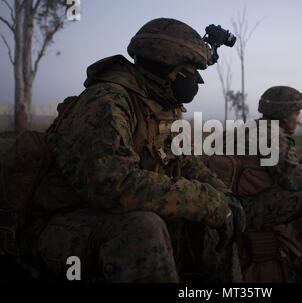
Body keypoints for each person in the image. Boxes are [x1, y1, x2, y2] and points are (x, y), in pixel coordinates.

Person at [11, 18, 245, 282]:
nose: (196, 79)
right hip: (61, 225)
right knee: (141, 228)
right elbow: (115, 185)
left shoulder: (161, 104)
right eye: (190, 68)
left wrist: (223, 197)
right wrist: (207, 201)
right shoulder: (107, 101)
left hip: (109, 215)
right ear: (166, 65)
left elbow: (184, 161)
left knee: (214, 220)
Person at [206, 86, 302, 282]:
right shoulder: (272, 135)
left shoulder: (252, 127)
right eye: (296, 113)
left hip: (227, 202)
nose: (298, 121)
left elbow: (268, 165)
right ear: (283, 113)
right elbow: (293, 179)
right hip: (241, 209)